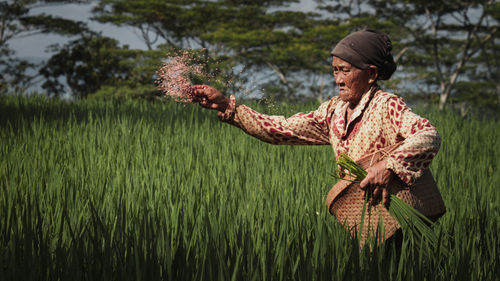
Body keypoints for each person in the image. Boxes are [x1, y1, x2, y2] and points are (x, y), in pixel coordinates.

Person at [190, 29, 445, 243]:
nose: (338, 80)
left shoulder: (387, 106)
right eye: (335, 71)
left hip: (402, 217)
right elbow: (282, 129)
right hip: (364, 220)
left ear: (372, 74)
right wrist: (225, 105)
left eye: (345, 70)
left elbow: (428, 135)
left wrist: (388, 167)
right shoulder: (332, 111)